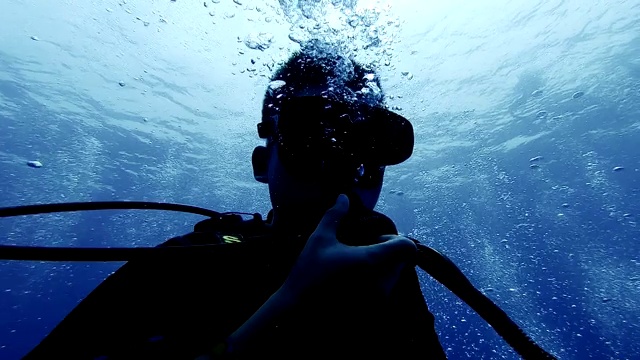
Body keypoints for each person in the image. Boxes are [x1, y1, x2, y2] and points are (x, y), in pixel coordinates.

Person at [24, 43, 447, 359]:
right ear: (263, 162)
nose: (341, 169)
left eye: (366, 146)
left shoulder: (389, 269)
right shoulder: (184, 267)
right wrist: (287, 310)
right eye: (309, 138)